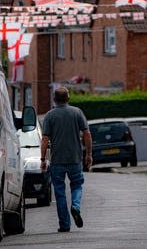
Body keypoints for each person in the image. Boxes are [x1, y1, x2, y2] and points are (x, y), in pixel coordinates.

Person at [41, 86, 93, 232]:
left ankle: (64, 224)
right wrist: (88, 154)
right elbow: (87, 134)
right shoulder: (77, 112)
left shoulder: (49, 116)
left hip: (57, 160)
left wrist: (43, 159)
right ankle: (75, 206)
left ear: (54, 99)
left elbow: (45, 139)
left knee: (59, 192)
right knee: (77, 185)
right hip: (75, 158)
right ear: (68, 99)